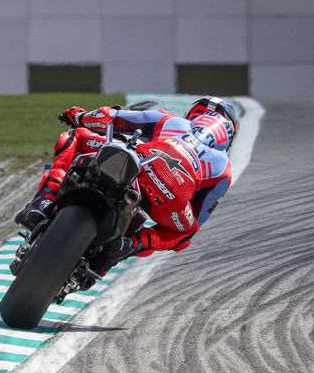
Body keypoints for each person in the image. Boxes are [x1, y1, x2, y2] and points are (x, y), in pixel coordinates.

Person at [15, 96, 237, 274]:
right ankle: (127, 245)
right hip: (170, 199)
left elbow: (109, 117)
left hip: (142, 164)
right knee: (186, 234)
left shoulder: (171, 120)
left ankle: (45, 200)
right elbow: (196, 221)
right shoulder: (224, 170)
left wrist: (78, 116)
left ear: (195, 114)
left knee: (76, 136)